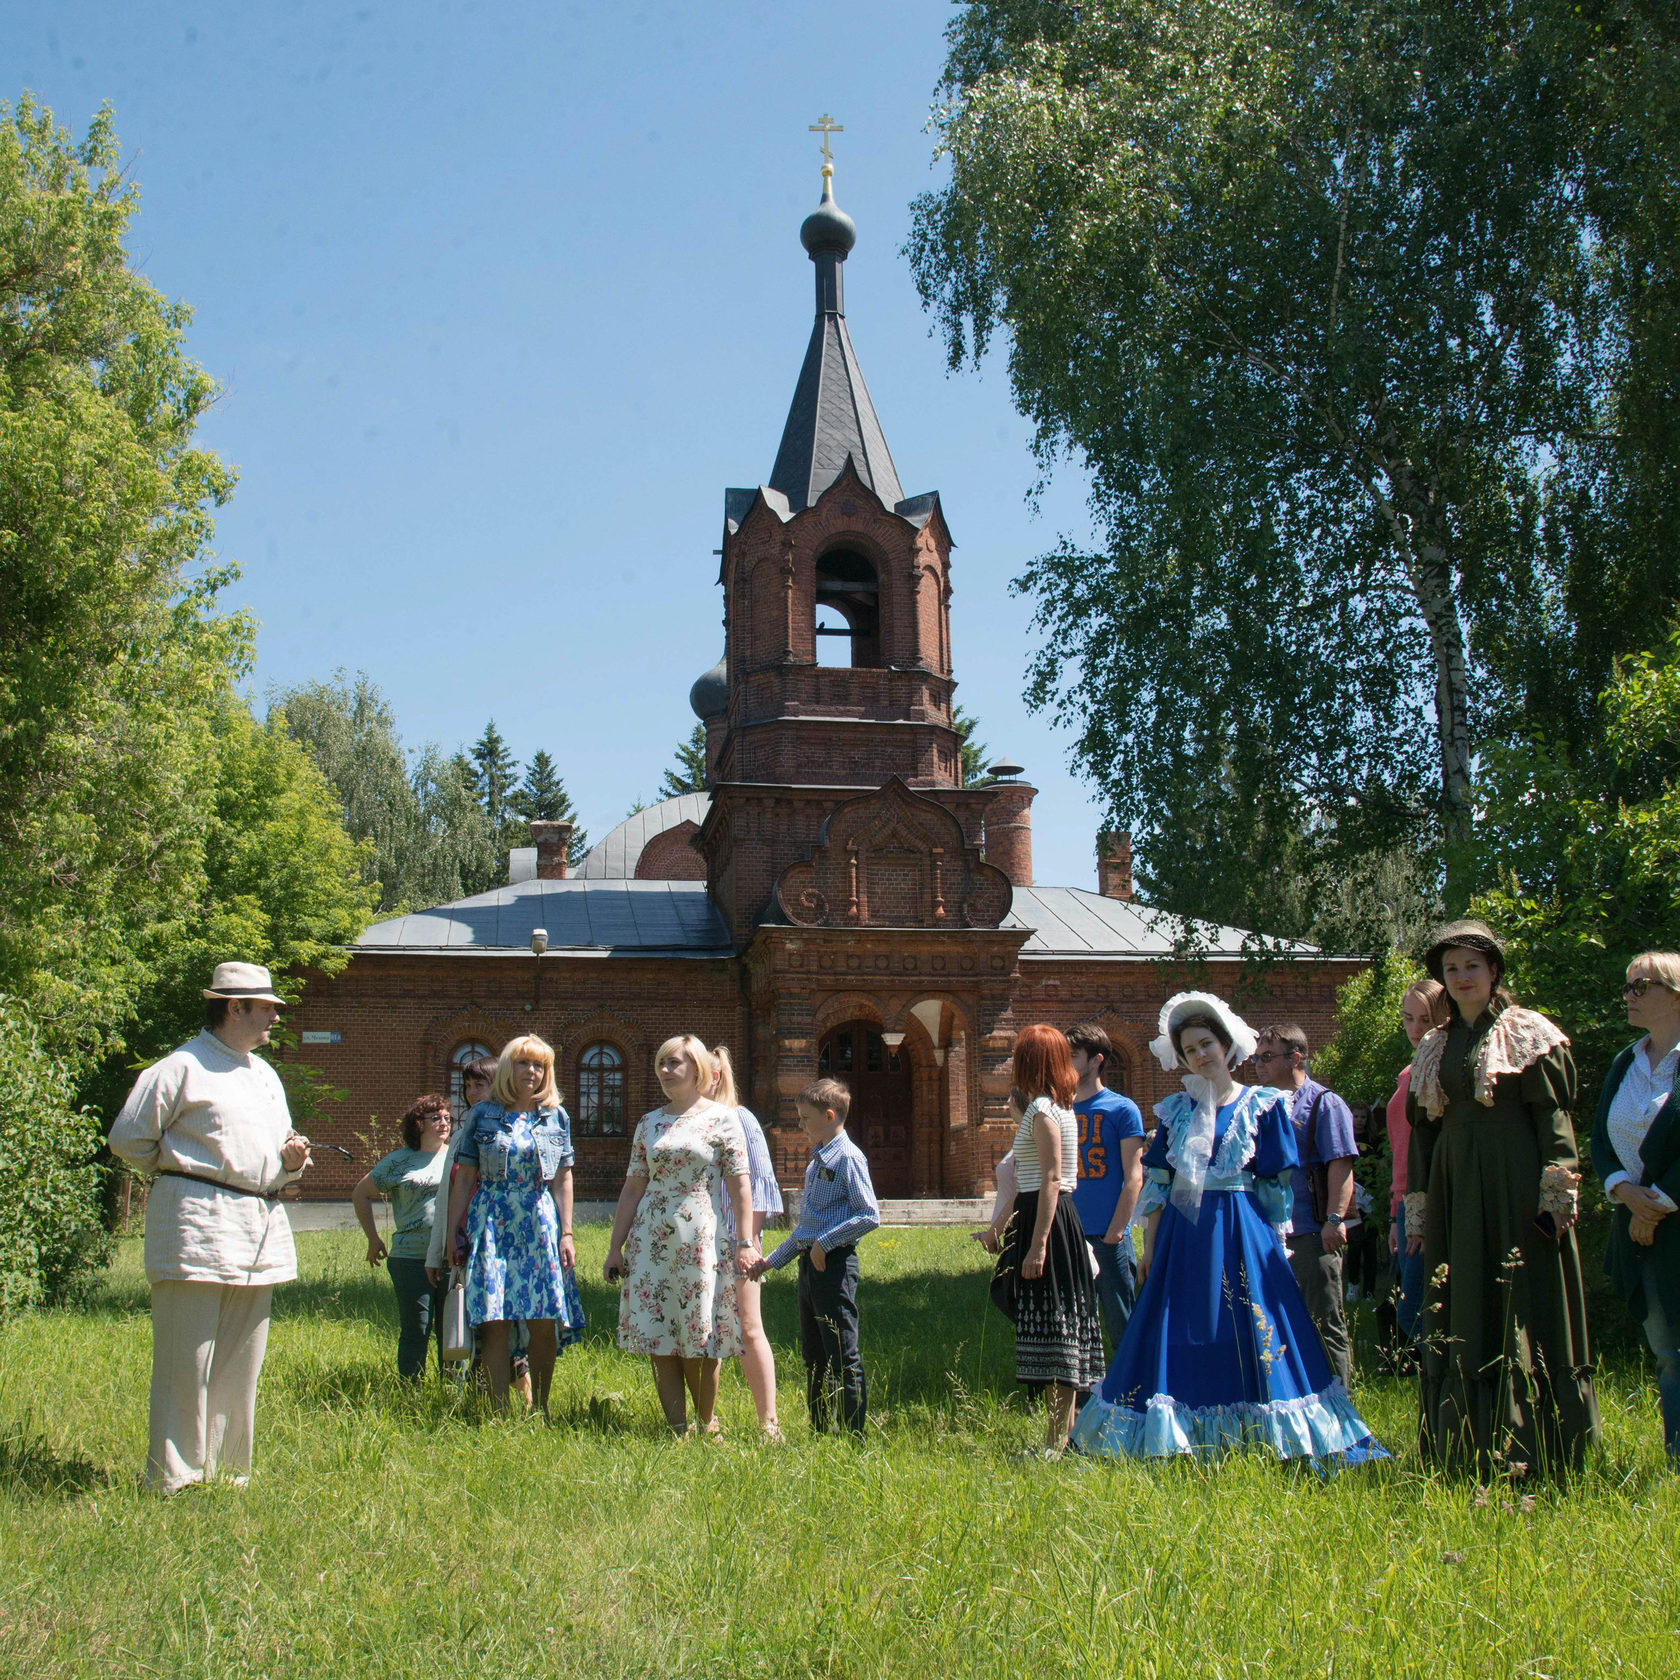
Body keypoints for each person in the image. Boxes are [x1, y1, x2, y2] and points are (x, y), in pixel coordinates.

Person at [1072, 992, 1386, 1462]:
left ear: (1227, 1046)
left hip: (1242, 1230)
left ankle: (1262, 1432)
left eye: (1205, 1045)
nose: (1200, 1055)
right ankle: (1177, 1429)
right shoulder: (1175, 1110)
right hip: (1183, 1234)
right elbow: (1158, 1190)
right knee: (1182, 1324)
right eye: (1190, 1050)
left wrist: (1275, 1246)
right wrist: (1152, 1249)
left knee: (1250, 1325)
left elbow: (1276, 1189)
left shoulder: (1263, 1105)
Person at [107, 962, 313, 1493]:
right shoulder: (179, 1069)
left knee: (242, 1360)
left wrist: (291, 1161)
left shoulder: (265, 1075)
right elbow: (128, 1139)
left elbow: (277, 1146)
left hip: (259, 1224)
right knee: (186, 1359)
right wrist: (184, 1172)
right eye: (265, 1007)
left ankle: (227, 1474)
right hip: (195, 1222)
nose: (274, 1016)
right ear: (232, 1007)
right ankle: (174, 1476)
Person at [1405, 919, 1599, 1475]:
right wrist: (1418, 1211)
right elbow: (1423, 1136)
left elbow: (1554, 1122)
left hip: (1516, 1185)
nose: (1462, 977)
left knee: (1526, 1298)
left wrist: (1555, 1196)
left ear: (1494, 972)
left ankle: (1547, 1455)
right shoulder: (1435, 1047)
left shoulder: (1530, 1033)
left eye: (1472, 966)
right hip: (1454, 1190)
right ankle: (1464, 1452)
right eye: (1452, 969)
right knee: (1462, 1300)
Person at [605, 1036, 756, 1436]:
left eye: (674, 1063)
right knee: (658, 1335)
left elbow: (742, 1185)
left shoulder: (723, 1119)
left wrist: (745, 1241)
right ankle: (676, 1427)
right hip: (650, 1237)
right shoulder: (649, 1122)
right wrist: (614, 1248)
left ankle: (706, 1423)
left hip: (700, 1235)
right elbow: (633, 1188)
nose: (665, 1070)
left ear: (697, 1069)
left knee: (700, 1334)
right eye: (661, 1064)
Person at [441, 1036, 584, 1412]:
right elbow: (466, 1176)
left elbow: (563, 1178)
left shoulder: (556, 1116)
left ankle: (542, 1409)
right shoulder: (484, 1114)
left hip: (539, 1222)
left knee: (542, 1317)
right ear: (508, 1068)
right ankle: (499, 1410)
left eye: (539, 1066)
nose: (532, 1072)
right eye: (524, 1064)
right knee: (495, 1318)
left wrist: (566, 1233)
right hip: (491, 1220)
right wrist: (454, 1231)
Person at [987, 1024, 1105, 1455]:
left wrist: (1037, 1246)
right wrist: (998, 1229)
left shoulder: (1042, 1110)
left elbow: (1052, 1179)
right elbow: (1027, 1179)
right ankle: (1066, 1439)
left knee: (1057, 1334)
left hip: (1050, 1222)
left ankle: (1057, 1445)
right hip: (1047, 1216)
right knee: (1059, 1328)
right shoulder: (1057, 1107)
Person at [749, 1077, 880, 1435]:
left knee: (842, 1352)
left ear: (830, 1115)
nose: (800, 1125)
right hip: (810, 1267)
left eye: (806, 1118)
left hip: (835, 1266)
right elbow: (806, 1230)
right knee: (814, 1355)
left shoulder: (848, 1158)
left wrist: (827, 1243)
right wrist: (770, 1262)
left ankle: (853, 1433)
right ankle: (820, 1429)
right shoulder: (815, 1161)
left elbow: (869, 1214)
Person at [1590, 951, 1680, 1463]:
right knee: (1668, 1352)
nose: (1629, 995)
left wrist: (1659, 1202)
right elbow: (1602, 1137)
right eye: (1627, 986)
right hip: (1639, 1225)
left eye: (1641, 985)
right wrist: (1624, 1192)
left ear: (1675, 992)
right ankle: (1676, 1460)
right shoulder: (1627, 1060)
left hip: (1667, 1219)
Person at [1254, 1023, 1358, 1390]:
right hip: (1267, 1235)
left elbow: (1340, 1165)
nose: (1258, 1065)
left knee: (1324, 1321)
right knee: (1273, 1323)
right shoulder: (1259, 1105)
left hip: (1311, 1233)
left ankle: (1339, 1404)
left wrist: (1334, 1218)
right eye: (1256, 1058)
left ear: (1296, 1057)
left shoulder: (1324, 1103)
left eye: (1267, 1057)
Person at [706, 1045, 786, 1439]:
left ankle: (768, 1422)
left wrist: (748, 1240)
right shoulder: (686, 1122)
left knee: (750, 1327)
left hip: (738, 1241)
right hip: (697, 1241)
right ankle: (707, 1420)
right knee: (704, 1329)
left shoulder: (741, 1119)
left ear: (716, 1076)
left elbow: (759, 1185)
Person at [352, 1094, 452, 1381]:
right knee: (416, 1329)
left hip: (451, 1256)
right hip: (410, 1257)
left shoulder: (459, 1155)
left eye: (447, 1117)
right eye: (436, 1118)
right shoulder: (399, 1161)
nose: (444, 1123)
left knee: (452, 1331)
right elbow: (361, 1193)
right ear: (419, 1124)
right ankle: (411, 1393)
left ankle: (452, 1395)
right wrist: (373, 1239)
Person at [1066, 1022, 1146, 1356]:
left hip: (1109, 1236)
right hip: (1070, 1235)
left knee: (1121, 1323)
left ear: (1096, 1060)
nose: (1065, 1063)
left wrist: (1116, 1231)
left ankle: (1135, 1394)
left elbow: (1134, 1176)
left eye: (1073, 1055)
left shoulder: (1121, 1109)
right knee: (1076, 1326)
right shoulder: (1060, 1110)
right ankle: (1086, 1398)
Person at [1386, 979, 1450, 1352]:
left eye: (1424, 1018)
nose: (1414, 1029)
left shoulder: (1443, 1071)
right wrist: (1397, 1214)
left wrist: (1417, 1215)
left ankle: (1452, 1394)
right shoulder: (1408, 1073)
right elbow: (1401, 1151)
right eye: (1408, 1018)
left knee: (1420, 1312)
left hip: (1431, 1200)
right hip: (1406, 1204)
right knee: (1412, 1313)